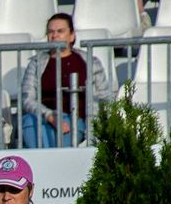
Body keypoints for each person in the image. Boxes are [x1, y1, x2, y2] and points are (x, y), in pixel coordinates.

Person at [20, 13, 113, 148]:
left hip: (73, 120)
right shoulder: (35, 63)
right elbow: (27, 99)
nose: (54, 35)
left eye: (60, 31)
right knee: (30, 123)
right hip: (40, 117)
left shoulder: (90, 62)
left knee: (58, 151)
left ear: (71, 36)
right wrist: (50, 116)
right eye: (50, 32)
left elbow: (104, 96)